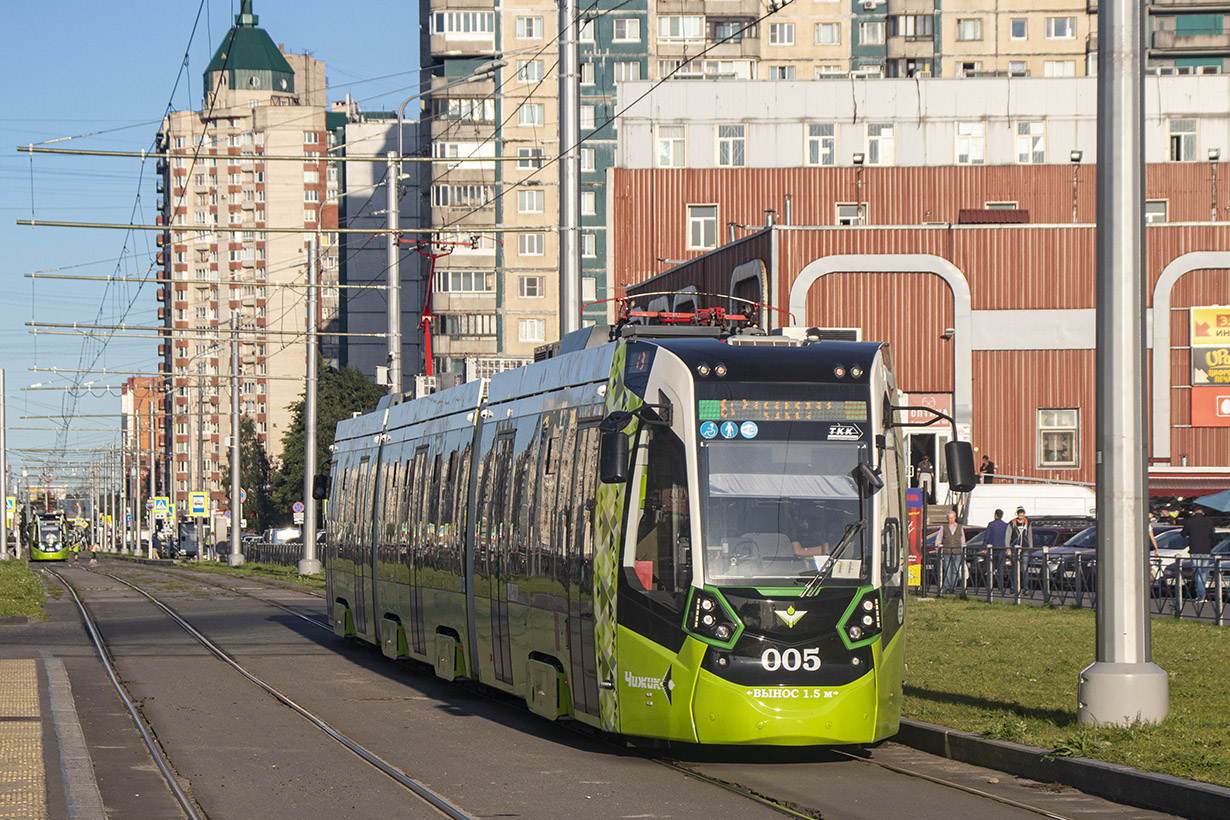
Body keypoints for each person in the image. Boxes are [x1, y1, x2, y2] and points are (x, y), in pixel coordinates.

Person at [1181, 507, 1215, 601]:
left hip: (1195, 549)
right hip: (1206, 550)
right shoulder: (1209, 522)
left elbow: (1183, 533)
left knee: (1198, 572)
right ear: (1203, 513)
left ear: (1193, 513)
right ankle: (1202, 593)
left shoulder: (1190, 521)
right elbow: (1212, 535)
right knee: (1203, 572)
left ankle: (1201, 595)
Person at [939, 510, 965, 593]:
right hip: (947, 551)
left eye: (952, 518)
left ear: (955, 518)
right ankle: (947, 586)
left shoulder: (960, 527)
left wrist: (963, 549)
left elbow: (962, 540)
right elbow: (939, 539)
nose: (951, 520)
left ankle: (953, 586)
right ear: (947, 518)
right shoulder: (944, 527)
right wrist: (938, 549)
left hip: (957, 551)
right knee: (947, 569)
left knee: (955, 570)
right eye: (950, 518)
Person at [984, 509, 1011, 590]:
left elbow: (987, 536)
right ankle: (1001, 586)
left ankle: (990, 585)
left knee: (990, 568)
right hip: (1002, 548)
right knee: (1000, 568)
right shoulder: (1005, 525)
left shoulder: (991, 524)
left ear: (995, 515)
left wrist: (984, 547)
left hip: (992, 548)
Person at [1008, 508, 1033, 581]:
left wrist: (1030, 547)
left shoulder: (1027, 523)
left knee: (1024, 567)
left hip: (1025, 547)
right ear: (1017, 514)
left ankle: (1026, 588)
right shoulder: (1012, 523)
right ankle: (1014, 586)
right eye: (1020, 515)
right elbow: (1008, 536)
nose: (1021, 516)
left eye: (1022, 515)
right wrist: (1008, 549)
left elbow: (1029, 536)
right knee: (1014, 567)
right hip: (1014, 547)